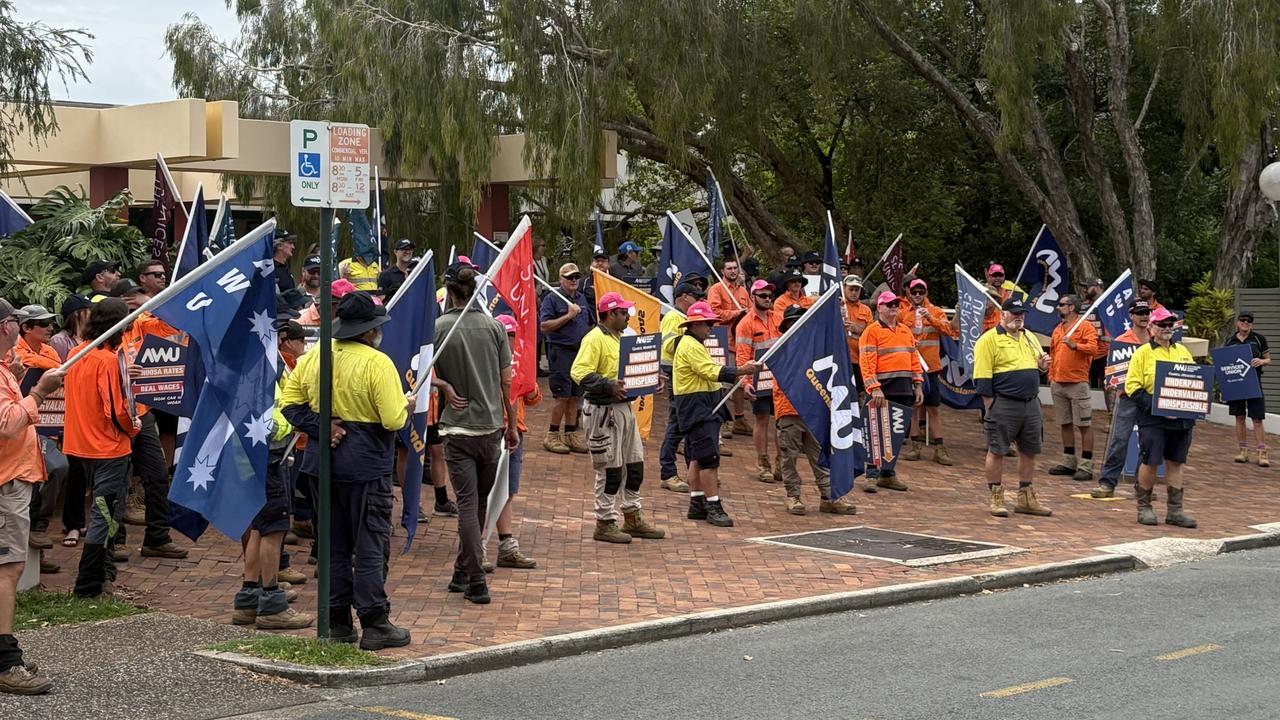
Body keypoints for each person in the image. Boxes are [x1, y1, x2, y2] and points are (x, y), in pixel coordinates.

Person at [282, 292, 413, 648]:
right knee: (370, 542)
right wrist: (406, 403)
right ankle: (374, 621)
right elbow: (392, 419)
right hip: (366, 463)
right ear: (370, 330)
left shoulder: (314, 357)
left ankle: (338, 620)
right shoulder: (378, 363)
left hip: (322, 464)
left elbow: (289, 404)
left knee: (333, 544)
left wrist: (321, 424)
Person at [431, 261, 519, 605]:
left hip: (459, 428)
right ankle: (463, 571)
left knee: (469, 504)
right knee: (477, 503)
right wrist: (512, 425)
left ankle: (475, 577)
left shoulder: (439, 328)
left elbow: (417, 372)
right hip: (491, 427)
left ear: (449, 290)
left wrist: (443, 384)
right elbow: (506, 384)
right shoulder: (495, 327)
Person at [0, 298, 64, 695]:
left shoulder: (4, 367)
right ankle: (5, 661)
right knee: (7, 570)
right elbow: (7, 423)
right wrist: (39, 392)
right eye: (15, 321)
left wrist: (16, 376)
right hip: (6, 482)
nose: (18, 326)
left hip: (11, 478)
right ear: (6, 326)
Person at [571, 292, 667, 544]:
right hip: (603, 412)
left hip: (624, 408)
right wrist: (607, 384)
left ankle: (632, 515)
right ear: (610, 314)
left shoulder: (624, 337)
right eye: (623, 312)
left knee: (635, 465)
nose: (628, 316)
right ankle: (604, 521)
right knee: (609, 469)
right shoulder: (594, 339)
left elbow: (631, 370)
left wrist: (649, 380)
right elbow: (579, 372)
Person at [231, 342, 314, 632]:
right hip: (268, 457)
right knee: (273, 529)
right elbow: (272, 421)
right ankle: (271, 602)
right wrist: (291, 423)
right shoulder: (260, 374)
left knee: (259, 527)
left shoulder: (241, 367)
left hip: (251, 458)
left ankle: (249, 597)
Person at [63, 299, 141, 597]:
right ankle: (88, 584)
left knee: (104, 514)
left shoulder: (75, 353)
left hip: (79, 445)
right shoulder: (107, 359)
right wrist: (133, 428)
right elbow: (118, 411)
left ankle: (104, 578)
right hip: (107, 448)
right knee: (105, 515)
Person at [113, 280, 188, 559]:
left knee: (157, 476)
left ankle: (157, 537)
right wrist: (120, 373)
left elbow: (174, 328)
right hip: (114, 418)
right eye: (126, 302)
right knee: (117, 480)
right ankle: (115, 541)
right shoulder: (104, 336)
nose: (131, 307)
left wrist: (149, 302)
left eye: (135, 301)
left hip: (142, 414)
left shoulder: (143, 324)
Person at [671, 301, 759, 527]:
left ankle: (697, 502)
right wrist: (741, 370)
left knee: (696, 456)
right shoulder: (690, 345)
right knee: (709, 458)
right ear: (695, 325)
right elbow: (708, 371)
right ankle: (713, 505)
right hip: (698, 405)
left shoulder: (692, 344)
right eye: (707, 324)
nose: (710, 328)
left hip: (699, 404)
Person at [771, 305, 857, 516]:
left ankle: (829, 497)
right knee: (789, 457)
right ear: (787, 325)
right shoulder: (781, 348)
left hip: (814, 412)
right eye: (794, 321)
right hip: (789, 410)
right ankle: (793, 496)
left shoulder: (814, 348)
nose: (798, 325)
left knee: (820, 456)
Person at [973, 297, 1053, 517]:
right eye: (1014, 313)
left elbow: (1038, 365)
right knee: (997, 449)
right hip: (1004, 402)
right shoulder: (988, 340)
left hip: (1030, 403)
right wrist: (991, 408)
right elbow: (982, 379)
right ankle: (996, 496)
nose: (1018, 317)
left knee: (1029, 450)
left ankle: (1026, 496)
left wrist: (1043, 367)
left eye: (1021, 314)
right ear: (1002, 315)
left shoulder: (1028, 337)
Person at [1124, 308, 1196, 527]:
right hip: (1153, 417)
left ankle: (1175, 511)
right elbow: (1132, 386)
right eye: (1162, 325)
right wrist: (1157, 407)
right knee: (1151, 461)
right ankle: (1144, 507)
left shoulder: (1182, 351)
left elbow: (1194, 381)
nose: (1167, 328)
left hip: (1181, 417)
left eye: (1170, 325)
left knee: (1176, 461)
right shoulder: (1142, 353)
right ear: (1152, 328)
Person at [488, 315, 541, 567]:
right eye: (509, 336)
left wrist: (530, 386)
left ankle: (506, 544)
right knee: (487, 491)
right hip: (493, 430)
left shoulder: (518, 363)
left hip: (515, 431)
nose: (511, 341)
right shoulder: (485, 363)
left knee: (508, 492)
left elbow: (532, 398)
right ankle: (478, 546)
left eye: (513, 336)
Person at [859, 292, 923, 492]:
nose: (894, 307)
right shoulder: (871, 331)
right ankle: (871, 474)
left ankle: (888, 474)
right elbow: (866, 363)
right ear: (880, 308)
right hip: (882, 388)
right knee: (876, 431)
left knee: (896, 432)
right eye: (889, 304)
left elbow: (914, 359)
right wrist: (874, 388)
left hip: (904, 388)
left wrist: (918, 383)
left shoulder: (905, 330)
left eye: (896, 304)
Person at [1091, 300, 1152, 498]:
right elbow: (1113, 369)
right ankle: (1108, 483)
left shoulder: (1155, 339)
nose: (1144, 316)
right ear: (1131, 315)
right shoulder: (1122, 340)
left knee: (1148, 443)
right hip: (1127, 397)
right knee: (1119, 440)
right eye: (1140, 313)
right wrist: (1111, 381)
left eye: (1147, 312)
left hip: (1151, 397)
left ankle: (1142, 486)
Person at [539, 263, 594, 454]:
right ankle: (552, 434)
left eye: (576, 277)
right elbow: (544, 326)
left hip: (579, 352)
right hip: (560, 351)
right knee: (562, 396)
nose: (574, 281)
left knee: (574, 395)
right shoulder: (552, 299)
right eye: (569, 277)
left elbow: (589, 323)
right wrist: (568, 316)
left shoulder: (581, 298)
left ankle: (570, 433)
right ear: (561, 279)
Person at [901, 278, 957, 464]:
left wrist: (929, 318)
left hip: (931, 368)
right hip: (911, 367)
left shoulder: (936, 311)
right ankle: (915, 446)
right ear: (909, 292)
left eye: (921, 292)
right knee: (915, 407)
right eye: (914, 292)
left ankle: (940, 449)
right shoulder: (903, 313)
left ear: (926, 293)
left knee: (933, 409)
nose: (917, 295)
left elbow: (949, 330)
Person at [1046, 295, 1099, 482]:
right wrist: (1050, 374)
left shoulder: (1084, 326)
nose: (1058, 307)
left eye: (1062, 304)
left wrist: (1075, 345)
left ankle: (1086, 463)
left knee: (1084, 424)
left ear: (1071, 307)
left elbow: (1094, 348)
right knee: (1065, 423)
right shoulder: (1058, 329)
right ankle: (1068, 461)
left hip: (1077, 382)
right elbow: (1053, 352)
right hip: (1058, 382)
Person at [658, 282, 704, 493]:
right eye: (695, 296)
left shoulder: (685, 318)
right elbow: (667, 345)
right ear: (683, 297)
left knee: (686, 425)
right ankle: (668, 472)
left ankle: (692, 471)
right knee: (676, 424)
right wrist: (691, 338)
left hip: (686, 374)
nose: (698, 300)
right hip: (674, 374)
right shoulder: (673, 317)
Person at [736, 280, 780, 484]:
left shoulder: (777, 317)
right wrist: (745, 383)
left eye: (769, 296)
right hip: (758, 379)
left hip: (779, 378)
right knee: (762, 419)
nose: (767, 299)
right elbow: (742, 356)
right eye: (762, 295)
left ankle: (782, 463)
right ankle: (763, 464)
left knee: (782, 421)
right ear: (753, 297)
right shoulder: (745, 323)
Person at [707, 259, 751, 438]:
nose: (733, 271)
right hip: (723, 342)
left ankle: (739, 419)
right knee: (723, 384)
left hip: (740, 343)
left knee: (740, 383)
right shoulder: (717, 289)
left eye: (735, 268)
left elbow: (749, 311)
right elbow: (713, 312)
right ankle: (722, 420)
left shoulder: (742, 291)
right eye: (729, 268)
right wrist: (736, 313)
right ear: (722, 270)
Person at [1225, 310, 1270, 466]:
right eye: (1242, 320)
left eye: (1248, 321)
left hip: (1253, 381)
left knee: (1257, 418)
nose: (1245, 323)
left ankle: (1262, 452)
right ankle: (1243, 451)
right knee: (1239, 416)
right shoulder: (1230, 340)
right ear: (1237, 323)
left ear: (1252, 324)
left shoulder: (1258, 339)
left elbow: (1268, 358)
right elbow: (1225, 363)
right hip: (1236, 383)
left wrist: (1261, 361)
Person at [841, 275, 875, 396]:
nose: (854, 292)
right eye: (851, 289)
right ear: (844, 288)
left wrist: (858, 329)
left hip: (860, 360)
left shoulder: (866, 310)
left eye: (857, 289)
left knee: (861, 395)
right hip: (840, 360)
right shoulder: (837, 306)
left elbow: (873, 334)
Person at [50, 294, 92, 361]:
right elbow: (59, 367)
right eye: (89, 309)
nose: (92, 313)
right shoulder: (59, 340)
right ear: (76, 313)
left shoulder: (91, 336)